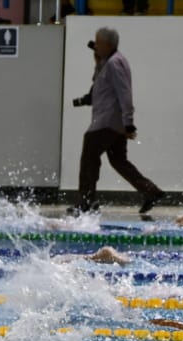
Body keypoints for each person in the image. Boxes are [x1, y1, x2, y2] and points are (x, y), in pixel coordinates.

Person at [68, 28, 164, 216]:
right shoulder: (108, 62)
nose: (95, 45)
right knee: (119, 161)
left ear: (107, 44)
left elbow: (124, 93)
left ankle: (86, 202)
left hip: (108, 122)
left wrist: (129, 122)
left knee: (89, 156)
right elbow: (99, 88)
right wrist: (97, 62)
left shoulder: (115, 63)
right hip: (112, 122)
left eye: (98, 42)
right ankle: (151, 191)